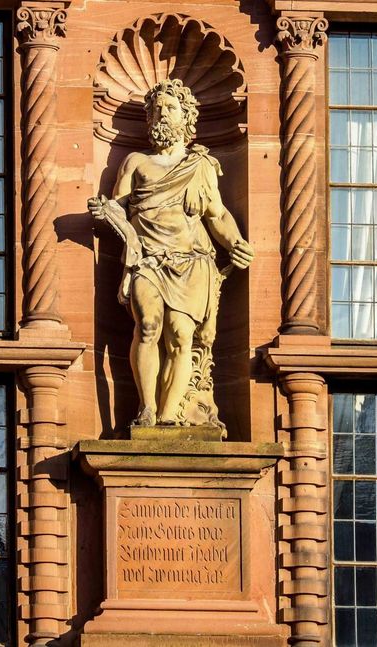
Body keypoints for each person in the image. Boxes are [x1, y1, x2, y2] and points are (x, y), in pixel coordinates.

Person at [89, 79, 253, 427]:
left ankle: (168, 416)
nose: (162, 113)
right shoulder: (136, 162)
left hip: (191, 261)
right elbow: (118, 208)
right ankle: (146, 408)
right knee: (148, 325)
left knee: (181, 335)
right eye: (156, 109)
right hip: (147, 259)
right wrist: (105, 211)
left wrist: (235, 244)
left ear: (186, 116)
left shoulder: (201, 166)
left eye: (170, 107)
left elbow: (217, 214)